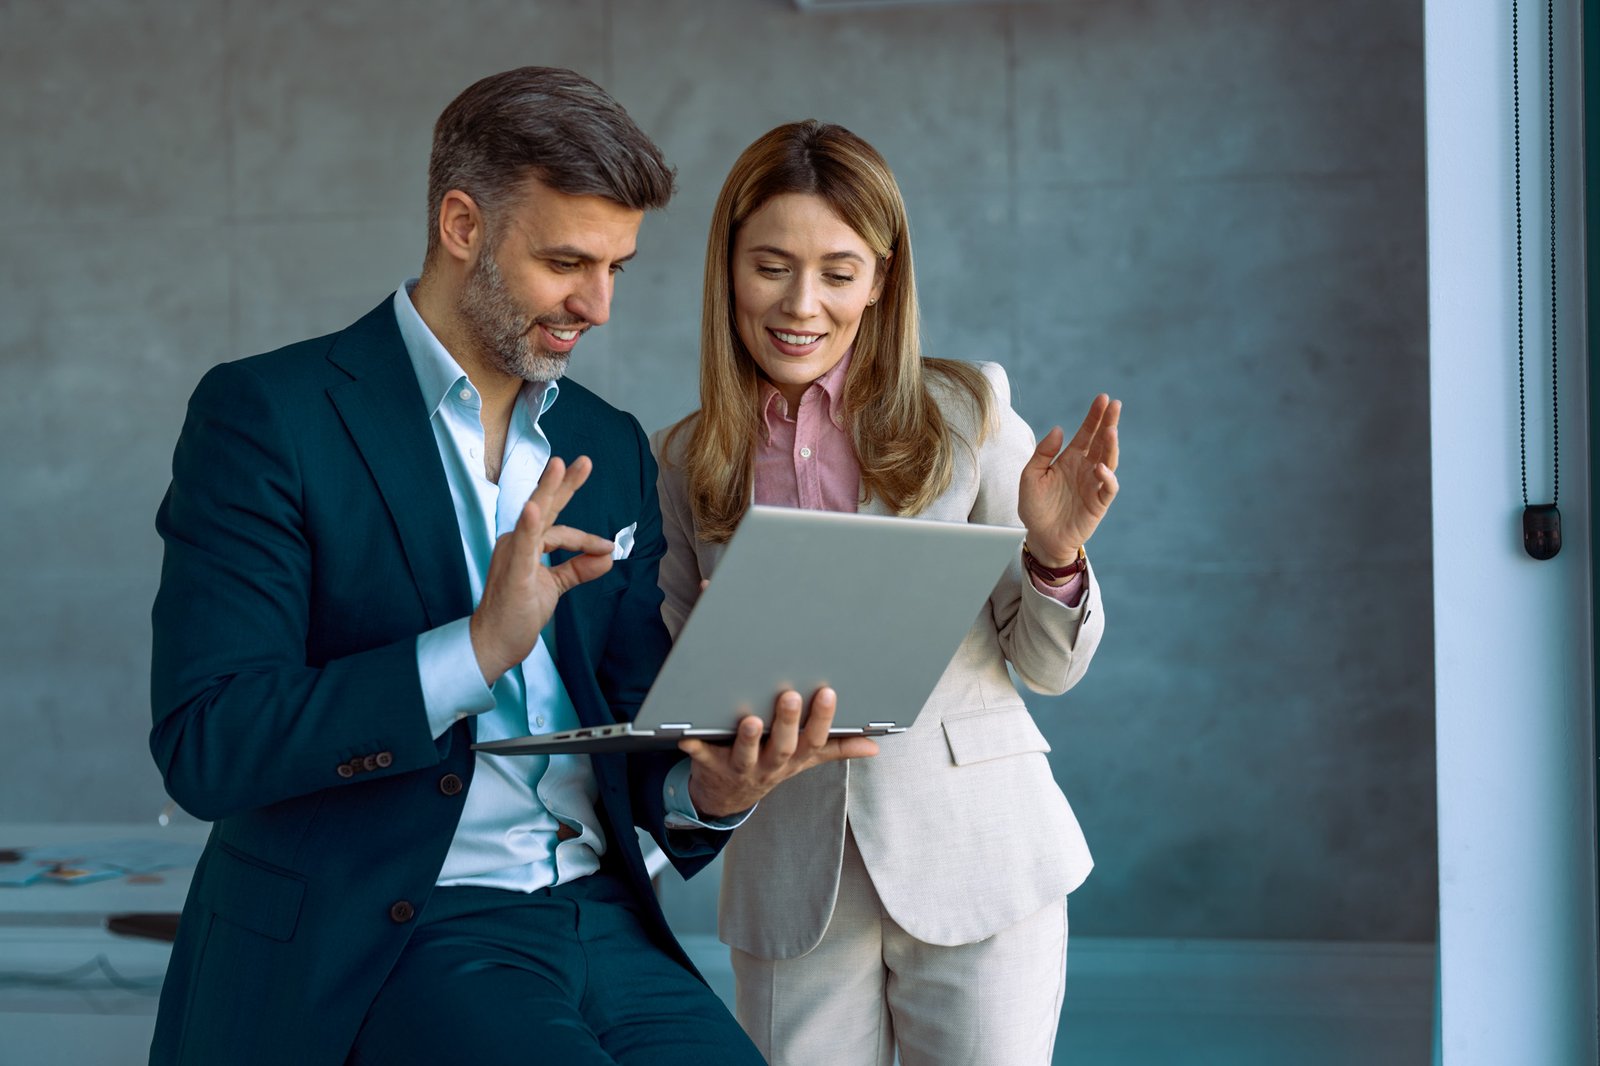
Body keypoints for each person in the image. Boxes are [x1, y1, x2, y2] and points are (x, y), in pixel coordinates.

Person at [148, 69, 872, 1066]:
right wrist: (476, 647)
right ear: (460, 225)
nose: (598, 305)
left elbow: (637, 737)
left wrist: (717, 788)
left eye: (617, 266)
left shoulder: (609, 446)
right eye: (567, 261)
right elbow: (209, 743)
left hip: (606, 919)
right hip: (405, 927)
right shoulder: (271, 418)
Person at [654, 120, 1120, 1066]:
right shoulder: (686, 457)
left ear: (881, 277)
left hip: (980, 855)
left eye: (838, 270)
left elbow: (1044, 667)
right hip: (791, 881)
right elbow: (676, 675)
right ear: (728, 270)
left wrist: (1055, 553)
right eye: (771, 266)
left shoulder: (967, 412)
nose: (802, 304)